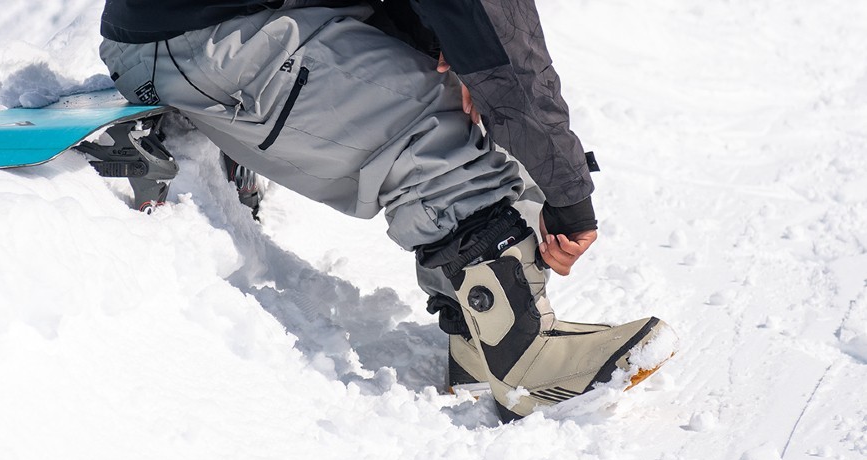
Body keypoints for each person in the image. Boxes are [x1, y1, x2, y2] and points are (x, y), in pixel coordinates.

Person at [98, 0, 672, 422]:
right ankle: (522, 358)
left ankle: (483, 338)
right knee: (442, 121)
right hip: (199, 36)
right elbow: (501, 46)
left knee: (489, 106)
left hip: (230, 21)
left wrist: (441, 44)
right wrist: (569, 199)